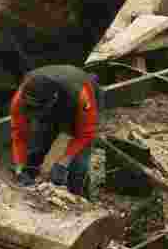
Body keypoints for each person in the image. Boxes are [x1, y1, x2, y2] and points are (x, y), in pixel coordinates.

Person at [10, 64, 102, 197]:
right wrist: (19, 166)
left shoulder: (81, 95)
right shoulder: (19, 101)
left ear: (53, 99)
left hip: (82, 98)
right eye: (32, 111)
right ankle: (30, 187)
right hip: (52, 107)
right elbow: (19, 136)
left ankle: (80, 197)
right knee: (36, 147)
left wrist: (63, 162)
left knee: (78, 163)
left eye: (39, 111)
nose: (35, 115)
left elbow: (85, 134)